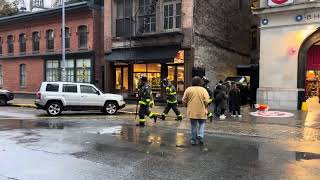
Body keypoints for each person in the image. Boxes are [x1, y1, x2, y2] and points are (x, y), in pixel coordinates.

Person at [182, 76, 210, 145]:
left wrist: (186, 105)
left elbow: (184, 100)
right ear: (200, 82)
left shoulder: (188, 89)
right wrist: (206, 106)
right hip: (201, 110)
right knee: (202, 123)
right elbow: (207, 100)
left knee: (193, 125)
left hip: (192, 111)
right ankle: (200, 136)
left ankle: (193, 140)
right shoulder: (203, 90)